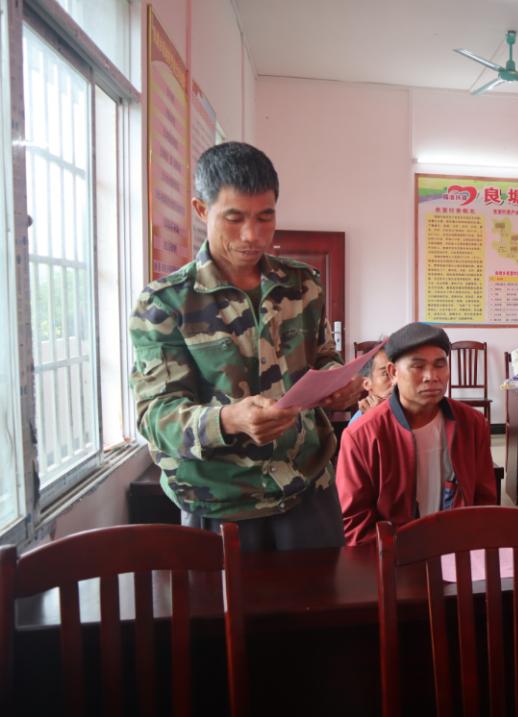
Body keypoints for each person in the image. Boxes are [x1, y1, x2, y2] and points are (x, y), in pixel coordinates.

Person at [129, 142, 362, 551]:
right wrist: (229, 420)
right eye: (233, 218)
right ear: (202, 210)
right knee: (225, 615)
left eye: (265, 217)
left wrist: (339, 383)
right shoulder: (166, 302)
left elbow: (324, 356)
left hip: (307, 487)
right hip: (221, 502)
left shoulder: (302, 284)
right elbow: (156, 417)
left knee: (322, 614)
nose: (252, 235)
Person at [336, 323, 497, 545]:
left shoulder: (472, 424)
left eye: (440, 365)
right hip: (394, 560)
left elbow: (484, 501)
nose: (431, 376)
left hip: (458, 553)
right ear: (393, 373)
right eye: (418, 366)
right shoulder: (362, 435)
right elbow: (354, 523)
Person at [347, 347, 392, 426]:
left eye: (399, 372)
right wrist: (374, 420)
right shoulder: (357, 424)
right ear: (367, 384)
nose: (396, 382)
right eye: (386, 374)